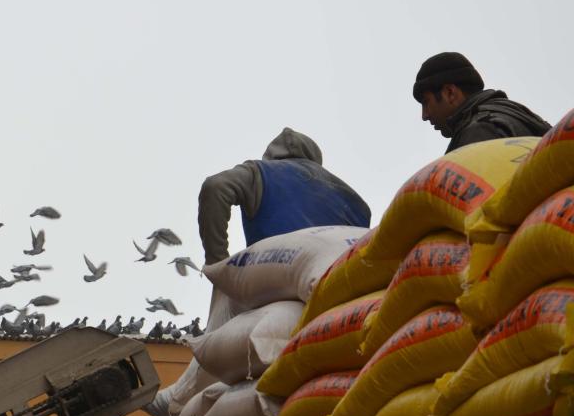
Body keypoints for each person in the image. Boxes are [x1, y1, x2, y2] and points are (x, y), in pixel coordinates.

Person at [198, 128, 371, 265]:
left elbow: (216, 186)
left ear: (271, 157)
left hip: (272, 285)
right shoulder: (354, 200)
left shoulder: (260, 172)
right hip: (339, 291)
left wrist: (218, 263)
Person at [413, 52, 550, 153]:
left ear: (450, 93)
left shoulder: (478, 131)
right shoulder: (525, 118)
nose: (424, 115)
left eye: (426, 103)